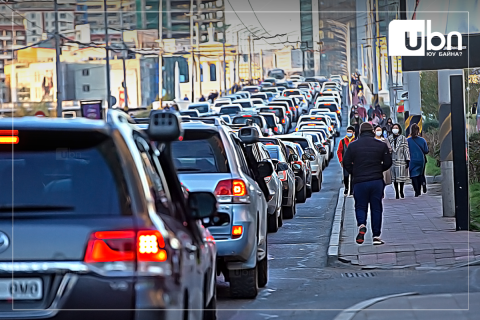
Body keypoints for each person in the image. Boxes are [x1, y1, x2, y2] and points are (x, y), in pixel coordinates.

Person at [343, 122, 392, 245]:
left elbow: (346, 162)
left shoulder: (353, 146)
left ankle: (361, 225)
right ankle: (376, 236)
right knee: (376, 207)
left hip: (359, 181)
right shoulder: (380, 146)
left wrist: (354, 171)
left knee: (360, 206)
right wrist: (379, 169)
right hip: (376, 181)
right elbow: (388, 162)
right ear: (373, 131)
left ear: (360, 132)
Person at [388, 124, 410, 199]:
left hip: (401, 159)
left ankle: (401, 191)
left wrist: (407, 160)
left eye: (396, 128)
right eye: (394, 128)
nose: (395, 129)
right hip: (393, 160)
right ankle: (397, 192)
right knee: (394, 178)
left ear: (399, 129)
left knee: (401, 177)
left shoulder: (403, 138)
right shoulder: (389, 138)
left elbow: (406, 149)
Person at [407, 123, 429, 197]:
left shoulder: (408, 141)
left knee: (414, 175)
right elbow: (426, 150)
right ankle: (423, 183)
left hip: (412, 160)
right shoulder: (422, 140)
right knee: (420, 174)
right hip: (421, 159)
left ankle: (417, 191)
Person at [337, 126, 356, 196]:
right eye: (348, 131)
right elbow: (339, 151)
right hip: (345, 162)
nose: (349, 133)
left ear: (353, 132)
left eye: (350, 132)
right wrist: (341, 160)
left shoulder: (356, 141)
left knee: (353, 177)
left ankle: (352, 191)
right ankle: (346, 188)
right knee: (346, 176)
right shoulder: (342, 141)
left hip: (354, 162)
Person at [374, 125, 392, 195]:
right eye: (377, 130)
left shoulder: (385, 140)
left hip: (383, 162)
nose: (379, 132)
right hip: (375, 162)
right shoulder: (372, 140)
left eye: (380, 130)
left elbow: (390, 149)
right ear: (374, 131)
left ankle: (382, 191)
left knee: (383, 179)